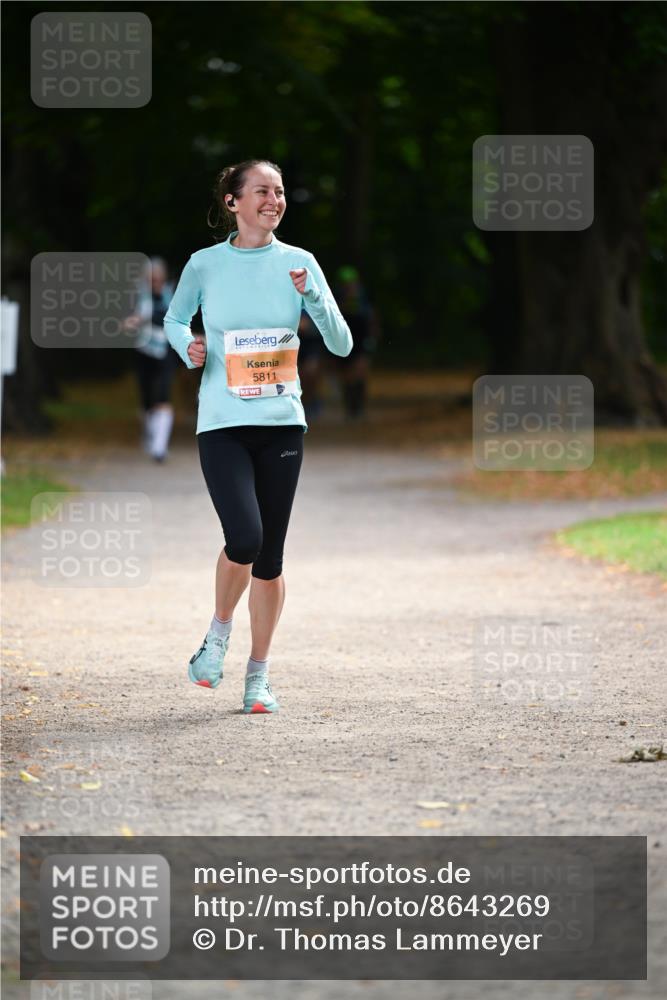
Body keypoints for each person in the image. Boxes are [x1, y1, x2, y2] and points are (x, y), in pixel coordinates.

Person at [164, 159, 352, 713]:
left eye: (280, 191)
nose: (274, 200)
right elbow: (175, 320)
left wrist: (311, 296)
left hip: (281, 424)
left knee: (270, 557)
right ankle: (218, 633)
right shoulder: (205, 264)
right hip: (221, 423)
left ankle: (258, 676)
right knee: (243, 536)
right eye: (262, 192)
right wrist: (188, 347)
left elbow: (341, 345)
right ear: (233, 203)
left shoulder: (301, 263)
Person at [124, 258, 177, 461]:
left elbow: (172, 318)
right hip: (143, 351)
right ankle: (151, 435)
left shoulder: (172, 294)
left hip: (165, 351)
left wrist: (144, 319)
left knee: (163, 394)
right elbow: (126, 319)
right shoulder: (137, 296)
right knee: (146, 398)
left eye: (157, 277)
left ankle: (159, 448)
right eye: (150, 278)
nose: (154, 281)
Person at [332, 265, 379, 420]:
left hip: (361, 341)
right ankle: (350, 407)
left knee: (360, 371)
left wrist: (372, 339)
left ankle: (359, 406)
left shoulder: (364, 298)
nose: (349, 286)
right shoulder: (334, 298)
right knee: (346, 376)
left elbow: (372, 319)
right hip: (342, 340)